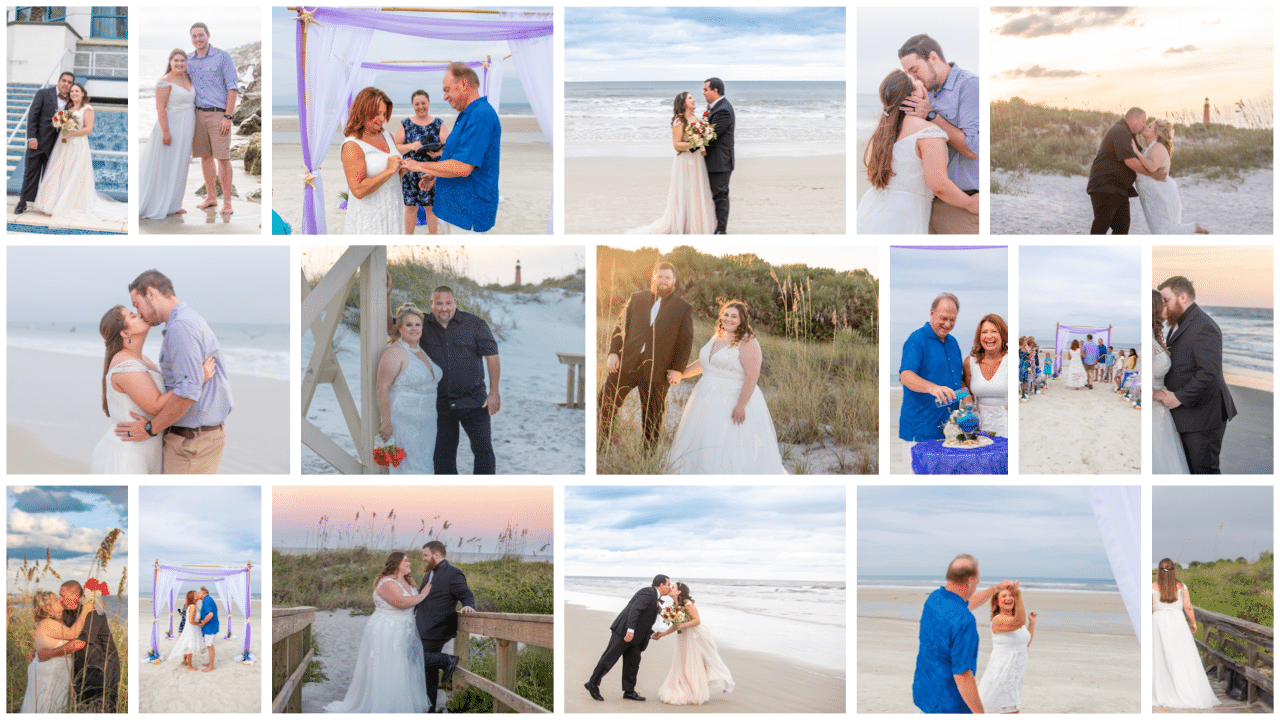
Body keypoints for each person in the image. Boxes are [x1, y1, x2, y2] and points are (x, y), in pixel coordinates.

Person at [114, 270, 234, 474]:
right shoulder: (184, 320)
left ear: (151, 294)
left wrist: (150, 429)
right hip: (193, 439)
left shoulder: (181, 327)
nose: (140, 313)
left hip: (191, 445)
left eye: (137, 305)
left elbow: (187, 392)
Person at [666, 300, 787, 474]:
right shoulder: (718, 336)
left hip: (733, 399)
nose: (728, 319)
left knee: (728, 442)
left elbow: (753, 375)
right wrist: (681, 373)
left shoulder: (747, 341)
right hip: (705, 398)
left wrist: (741, 405)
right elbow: (704, 363)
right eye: (726, 315)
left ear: (742, 320)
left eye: (734, 316)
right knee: (704, 439)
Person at [92, 305, 215, 474]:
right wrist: (196, 378)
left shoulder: (143, 359)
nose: (140, 314)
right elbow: (156, 405)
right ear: (125, 333)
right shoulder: (124, 364)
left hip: (147, 448)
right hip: (127, 453)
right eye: (133, 316)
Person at [324, 551, 447, 713]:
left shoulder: (407, 581)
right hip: (387, 630)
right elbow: (401, 602)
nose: (409, 563)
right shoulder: (387, 582)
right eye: (406, 561)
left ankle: (399, 706)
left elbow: (414, 604)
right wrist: (423, 594)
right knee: (389, 666)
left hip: (405, 628)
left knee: (403, 666)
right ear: (396, 564)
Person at [858, 71, 979, 234]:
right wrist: (970, 203)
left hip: (871, 209)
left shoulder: (887, 130)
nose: (919, 79)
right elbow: (939, 185)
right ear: (913, 93)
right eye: (914, 80)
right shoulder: (928, 132)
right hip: (903, 216)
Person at [599, 262, 695, 449]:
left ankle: (647, 457)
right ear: (654, 277)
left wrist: (677, 370)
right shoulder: (637, 298)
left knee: (653, 417)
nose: (663, 281)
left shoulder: (683, 308)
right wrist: (613, 352)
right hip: (626, 364)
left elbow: (685, 343)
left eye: (667, 277)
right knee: (604, 402)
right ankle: (602, 443)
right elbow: (620, 327)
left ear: (673, 280)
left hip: (658, 371)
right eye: (659, 276)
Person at [898, 34, 980, 234]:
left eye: (914, 70)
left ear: (933, 57)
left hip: (961, 204)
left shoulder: (970, 86)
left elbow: (973, 149)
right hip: (925, 203)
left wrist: (931, 115)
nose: (913, 78)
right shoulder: (922, 92)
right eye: (907, 74)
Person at [913, 555, 1015, 713]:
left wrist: (997, 588)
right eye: (977, 580)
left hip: (924, 697)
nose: (978, 583)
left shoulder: (935, 598)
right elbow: (963, 676)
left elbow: (964, 604)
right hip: (948, 707)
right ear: (969, 582)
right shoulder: (965, 621)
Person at [407, 63, 501, 233]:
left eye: (447, 89)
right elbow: (462, 157)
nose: (445, 96)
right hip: (455, 210)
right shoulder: (468, 115)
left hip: (468, 213)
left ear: (464, 84)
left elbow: (463, 167)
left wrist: (417, 165)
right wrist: (435, 176)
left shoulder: (481, 115)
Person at [1155, 276, 1236, 473]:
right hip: (1187, 416)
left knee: (1203, 473)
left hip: (1203, 418)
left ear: (1183, 297)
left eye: (1166, 300)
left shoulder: (1203, 326)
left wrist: (1179, 397)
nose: (1163, 306)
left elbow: (1209, 373)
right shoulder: (1177, 323)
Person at [32, 83, 128, 226]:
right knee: (59, 171)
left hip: (77, 145)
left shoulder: (87, 109)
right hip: (63, 144)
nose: (74, 93)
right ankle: (51, 204)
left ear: (83, 93)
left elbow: (88, 129)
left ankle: (71, 205)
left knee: (74, 174)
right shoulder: (67, 108)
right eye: (72, 91)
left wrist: (71, 133)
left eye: (77, 91)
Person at [627, 91, 716, 234]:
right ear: (683, 103)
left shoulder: (697, 118)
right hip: (685, 161)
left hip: (698, 160)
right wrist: (694, 143)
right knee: (686, 191)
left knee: (697, 191)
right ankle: (682, 224)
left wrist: (704, 138)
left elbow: (703, 135)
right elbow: (676, 145)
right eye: (690, 98)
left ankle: (695, 225)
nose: (694, 100)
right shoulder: (679, 121)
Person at [898, 293, 964, 472]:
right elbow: (906, 376)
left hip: (949, 432)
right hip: (921, 431)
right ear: (932, 313)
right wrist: (932, 388)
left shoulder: (953, 343)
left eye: (953, 319)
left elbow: (959, 379)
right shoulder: (916, 339)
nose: (948, 324)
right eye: (943, 318)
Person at [585, 575, 674, 703]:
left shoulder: (656, 598)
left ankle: (629, 691)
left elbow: (645, 620)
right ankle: (592, 684)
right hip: (624, 631)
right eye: (668, 584)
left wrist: (651, 634)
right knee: (609, 658)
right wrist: (630, 630)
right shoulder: (648, 592)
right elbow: (635, 610)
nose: (670, 587)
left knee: (633, 663)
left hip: (637, 637)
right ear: (661, 585)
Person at [376, 303, 440, 474]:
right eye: (408, 324)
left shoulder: (419, 350)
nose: (414, 328)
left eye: (417, 324)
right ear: (399, 328)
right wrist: (386, 422)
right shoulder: (395, 352)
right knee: (406, 469)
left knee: (424, 466)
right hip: (403, 424)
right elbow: (381, 387)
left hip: (426, 424)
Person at [1152, 558, 1221, 708]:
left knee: (1160, 657)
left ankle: (1164, 689)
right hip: (1177, 622)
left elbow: (1150, 608)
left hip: (1158, 622)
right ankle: (1184, 688)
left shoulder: (1152, 587)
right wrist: (1193, 622)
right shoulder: (1181, 586)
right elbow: (1188, 607)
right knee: (1181, 656)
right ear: (1173, 570)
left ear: (1159, 571)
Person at [187, 22, 239, 215]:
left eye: (201, 35)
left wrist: (228, 116)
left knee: (223, 158)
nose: (198, 39)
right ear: (191, 38)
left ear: (208, 35)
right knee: (205, 157)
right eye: (194, 36)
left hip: (219, 114)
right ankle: (210, 197)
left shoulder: (222, 57)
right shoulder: (189, 60)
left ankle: (227, 202)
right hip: (197, 114)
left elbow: (232, 87)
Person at [415, 541, 473, 712]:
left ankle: (447, 660)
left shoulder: (453, 573)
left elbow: (466, 593)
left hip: (436, 629)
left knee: (416, 659)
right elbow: (421, 598)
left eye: (426, 555)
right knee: (429, 674)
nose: (423, 559)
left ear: (436, 555)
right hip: (423, 627)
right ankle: (429, 710)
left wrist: (468, 605)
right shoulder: (428, 575)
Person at [139, 50, 196, 220]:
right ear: (170, 61)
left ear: (186, 62)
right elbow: (160, 107)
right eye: (176, 60)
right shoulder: (164, 82)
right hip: (172, 125)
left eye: (183, 60)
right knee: (166, 164)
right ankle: (159, 203)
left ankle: (174, 204)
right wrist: (165, 131)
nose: (179, 63)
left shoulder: (188, 78)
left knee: (181, 163)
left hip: (188, 125)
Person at [655, 582, 734, 705]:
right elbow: (676, 625)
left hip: (696, 635)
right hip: (684, 636)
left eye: (673, 587)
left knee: (699, 661)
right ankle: (684, 688)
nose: (670, 588)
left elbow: (697, 620)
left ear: (679, 591)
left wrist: (682, 625)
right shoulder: (675, 606)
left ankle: (722, 680)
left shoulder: (687, 603)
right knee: (684, 662)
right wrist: (664, 633)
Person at [342, 87, 404, 234]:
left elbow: (390, 178)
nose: (382, 119)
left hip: (392, 211)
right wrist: (389, 171)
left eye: (384, 113)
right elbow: (358, 190)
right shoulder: (352, 145)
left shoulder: (388, 135)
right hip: (370, 217)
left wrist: (400, 172)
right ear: (363, 111)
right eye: (377, 114)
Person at [20, 589, 94, 713]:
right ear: (48, 608)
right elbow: (73, 633)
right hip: (48, 676)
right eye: (55, 599)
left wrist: (35, 650)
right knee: (47, 707)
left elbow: (46, 642)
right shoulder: (48, 623)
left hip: (50, 674)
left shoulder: (47, 623)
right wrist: (85, 611)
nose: (59, 600)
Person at [1131, 119, 1209, 234]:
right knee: (1162, 232)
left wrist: (1136, 152)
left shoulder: (1158, 147)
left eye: (1149, 126)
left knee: (1162, 232)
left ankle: (1193, 227)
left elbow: (1151, 167)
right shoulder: (1148, 149)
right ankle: (1192, 228)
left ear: (1156, 133)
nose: (1145, 127)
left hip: (1161, 193)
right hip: (1151, 195)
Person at [14, 71, 73, 216]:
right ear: (59, 81)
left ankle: (46, 205)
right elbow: (33, 116)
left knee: (49, 177)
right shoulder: (43, 93)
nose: (66, 84)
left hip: (55, 146)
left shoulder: (71, 102)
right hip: (38, 142)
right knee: (30, 174)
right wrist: (31, 137)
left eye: (69, 82)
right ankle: (23, 202)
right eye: (64, 80)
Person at [393, 89, 448, 234]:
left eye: (423, 103)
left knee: (431, 208)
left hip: (432, 173)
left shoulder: (438, 124)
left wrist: (439, 152)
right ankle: (408, 239)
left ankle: (433, 237)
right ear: (412, 105)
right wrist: (411, 146)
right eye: (417, 104)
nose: (420, 106)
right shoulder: (405, 124)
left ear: (428, 103)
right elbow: (397, 147)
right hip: (410, 174)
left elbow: (450, 149)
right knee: (410, 209)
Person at [59, 580, 118, 710]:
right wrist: (37, 650)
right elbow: (57, 634)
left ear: (75, 596)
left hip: (101, 671)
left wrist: (46, 654)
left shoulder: (92, 611)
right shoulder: (67, 612)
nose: (60, 599)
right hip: (81, 670)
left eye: (62, 596)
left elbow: (78, 644)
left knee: (102, 710)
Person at [1087, 107, 1147, 234]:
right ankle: (1089, 253)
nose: (1144, 126)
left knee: (1122, 228)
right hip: (1105, 186)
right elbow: (1130, 161)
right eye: (1143, 122)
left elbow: (1142, 155)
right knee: (1101, 227)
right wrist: (1154, 174)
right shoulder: (1120, 131)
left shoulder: (1128, 133)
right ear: (1133, 119)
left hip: (1118, 188)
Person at [977, 583, 1036, 713]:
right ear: (997, 603)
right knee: (1009, 711)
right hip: (1003, 674)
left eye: (1011, 595)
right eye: (1003, 596)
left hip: (1015, 675)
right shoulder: (998, 621)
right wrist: (1017, 593)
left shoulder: (1017, 624)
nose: (1008, 598)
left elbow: (1024, 644)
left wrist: (1031, 623)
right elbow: (1018, 621)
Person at [1152, 291, 1190, 473]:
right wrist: (1153, 392)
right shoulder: (1149, 342)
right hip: (1154, 404)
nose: (1167, 306)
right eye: (1164, 303)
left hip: (1161, 409)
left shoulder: (1156, 337)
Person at [962, 314, 1008, 436]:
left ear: (1002, 335)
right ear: (979, 336)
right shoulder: (970, 362)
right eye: (984, 332)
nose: (989, 336)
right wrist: (967, 399)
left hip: (1007, 424)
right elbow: (965, 386)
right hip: (980, 425)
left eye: (994, 331)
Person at [702, 78, 735, 234]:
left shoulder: (723, 109)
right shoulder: (716, 108)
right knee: (713, 197)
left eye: (706, 90)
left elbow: (710, 138)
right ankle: (714, 228)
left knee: (720, 197)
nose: (703, 93)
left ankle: (721, 232)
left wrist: (690, 146)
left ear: (715, 91)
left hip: (719, 162)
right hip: (714, 162)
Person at [169, 590, 204, 671]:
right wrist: (200, 624)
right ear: (192, 597)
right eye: (196, 594)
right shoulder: (192, 607)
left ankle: (185, 661)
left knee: (187, 644)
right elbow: (191, 621)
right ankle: (189, 666)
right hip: (192, 629)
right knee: (190, 646)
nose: (197, 595)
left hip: (192, 629)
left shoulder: (194, 606)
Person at [195, 587, 219, 671]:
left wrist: (203, 622)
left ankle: (211, 666)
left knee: (210, 646)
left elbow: (210, 614)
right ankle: (210, 663)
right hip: (211, 626)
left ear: (203, 593)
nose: (198, 594)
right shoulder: (207, 599)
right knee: (210, 646)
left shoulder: (206, 600)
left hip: (210, 627)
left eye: (198, 592)